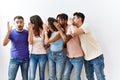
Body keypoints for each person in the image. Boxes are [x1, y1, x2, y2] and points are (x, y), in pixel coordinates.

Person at [70, 12, 106, 80]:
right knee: (89, 77)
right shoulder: (77, 28)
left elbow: (75, 32)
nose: (73, 19)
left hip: (96, 57)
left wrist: (71, 24)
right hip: (87, 58)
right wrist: (73, 26)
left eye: (74, 18)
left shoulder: (85, 26)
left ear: (79, 19)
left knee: (100, 77)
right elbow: (73, 33)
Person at [55, 13, 84, 80]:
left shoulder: (71, 28)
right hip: (69, 56)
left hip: (77, 57)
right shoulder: (63, 30)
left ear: (65, 20)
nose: (58, 22)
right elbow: (65, 44)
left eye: (60, 20)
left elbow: (66, 39)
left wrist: (59, 29)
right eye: (57, 20)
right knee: (66, 75)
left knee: (76, 78)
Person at [3, 16, 29, 80]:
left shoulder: (27, 32)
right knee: (11, 78)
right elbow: (4, 43)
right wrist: (8, 32)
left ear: (23, 23)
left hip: (25, 60)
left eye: (21, 22)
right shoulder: (11, 33)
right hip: (14, 60)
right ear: (14, 24)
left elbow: (31, 42)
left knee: (25, 78)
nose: (19, 24)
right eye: (17, 22)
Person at [28, 15, 47, 80]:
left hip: (42, 55)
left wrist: (45, 30)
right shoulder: (30, 30)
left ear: (35, 22)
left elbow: (47, 42)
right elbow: (30, 42)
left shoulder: (43, 30)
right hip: (33, 55)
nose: (30, 23)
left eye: (31, 22)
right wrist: (30, 30)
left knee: (41, 73)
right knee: (32, 75)